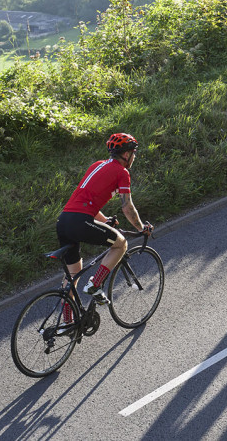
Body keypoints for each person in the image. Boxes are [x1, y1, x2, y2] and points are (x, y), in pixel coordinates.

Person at [55, 132, 152, 322]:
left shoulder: (97, 165)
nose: (134, 156)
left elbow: (86, 201)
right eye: (133, 152)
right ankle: (95, 284)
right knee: (121, 243)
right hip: (80, 222)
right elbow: (127, 206)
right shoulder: (122, 172)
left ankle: (67, 323)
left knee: (73, 275)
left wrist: (105, 219)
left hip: (64, 220)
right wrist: (141, 227)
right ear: (126, 155)